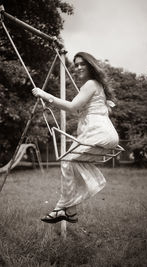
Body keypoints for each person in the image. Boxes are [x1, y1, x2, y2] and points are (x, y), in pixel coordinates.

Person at [32, 52, 119, 224]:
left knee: (67, 160)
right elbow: (91, 110)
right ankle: (70, 211)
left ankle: (60, 208)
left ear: (90, 65)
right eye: (76, 65)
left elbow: (72, 107)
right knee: (72, 162)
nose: (78, 67)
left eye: (82, 64)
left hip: (98, 133)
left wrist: (44, 95)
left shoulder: (91, 84)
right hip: (107, 134)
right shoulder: (98, 86)